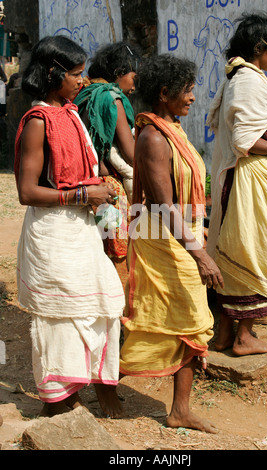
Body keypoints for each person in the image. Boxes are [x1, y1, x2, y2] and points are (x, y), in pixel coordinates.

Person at [14, 36, 125, 418]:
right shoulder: (38, 121)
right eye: (76, 74)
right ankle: (59, 400)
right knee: (62, 317)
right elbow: (27, 192)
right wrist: (82, 196)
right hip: (54, 233)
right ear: (51, 73)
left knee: (102, 305)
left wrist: (101, 184)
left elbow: (82, 170)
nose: (83, 80)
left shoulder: (70, 111)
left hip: (82, 230)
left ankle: (99, 387)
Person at [119, 54, 224, 433]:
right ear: (164, 94)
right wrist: (199, 254)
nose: (194, 97)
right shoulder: (152, 137)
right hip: (164, 240)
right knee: (182, 320)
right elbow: (162, 205)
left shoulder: (171, 128)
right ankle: (104, 386)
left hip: (182, 234)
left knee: (188, 323)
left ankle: (180, 409)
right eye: (188, 90)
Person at [206, 13, 267, 357]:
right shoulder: (247, 80)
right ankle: (243, 336)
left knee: (238, 247)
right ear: (259, 47)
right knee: (256, 247)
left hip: (248, 178)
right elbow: (245, 140)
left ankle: (224, 334)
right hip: (249, 180)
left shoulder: (243, 77)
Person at [74, 42, 140, 273]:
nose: (134, 86)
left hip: (83, 183)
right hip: (109, 186)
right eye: (133, 77)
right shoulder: (112, 98)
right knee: (119, 253)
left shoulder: (82, 93)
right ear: (119, 73)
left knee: (97, 247)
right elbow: (131, 154)